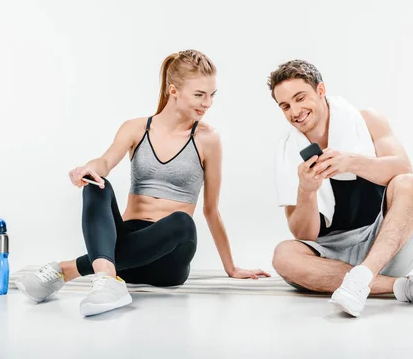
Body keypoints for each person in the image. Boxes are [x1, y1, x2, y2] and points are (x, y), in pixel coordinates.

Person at [16, 49, 270, 317]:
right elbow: (106, 162)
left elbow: (211, 209)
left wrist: (231, 268)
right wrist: (90, 168)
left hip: (169, 259)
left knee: (183, 222)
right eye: (199, 95)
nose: (207, 103)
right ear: (173, 91)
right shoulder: (137, 128)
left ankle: (65, 270)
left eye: (211, 95)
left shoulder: (208, 138)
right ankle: (108, 279)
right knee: (95, 183)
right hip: (126, 246)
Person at [268, 59, 413, 317]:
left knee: (408, 183)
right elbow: (306, 235)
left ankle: (366, 273)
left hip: (385, 245)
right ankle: (399, 287)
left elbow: (404, 169)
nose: (295, 111)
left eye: (300, 98)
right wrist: (307, 190)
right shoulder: (288, 151)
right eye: (285, 106)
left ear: (321, 91)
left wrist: (349, 161)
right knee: (284, 255)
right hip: (332, 254)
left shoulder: (368, 120)